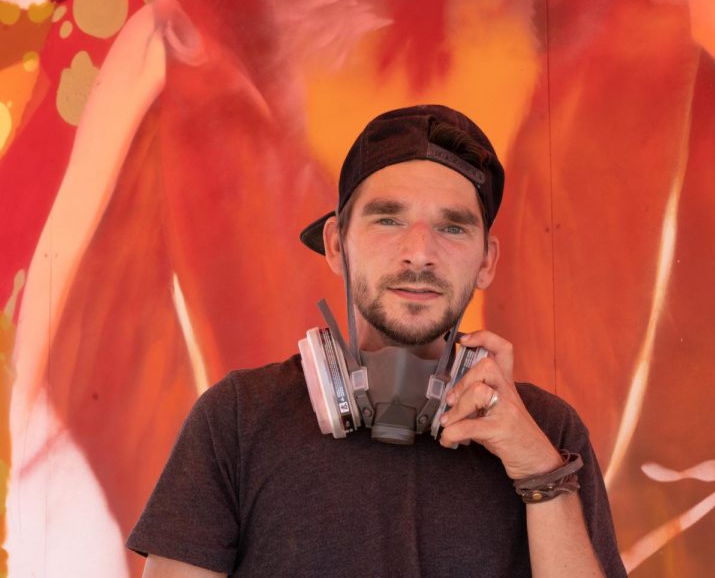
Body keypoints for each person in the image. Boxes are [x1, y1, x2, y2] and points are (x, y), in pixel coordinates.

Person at [127, 104, 627, 577]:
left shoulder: (548, 432)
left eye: (452, 227)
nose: (419, 253)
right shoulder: (237, 418)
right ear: (335, 245)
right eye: (388, 219)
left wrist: (540, 474)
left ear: (486, 262)